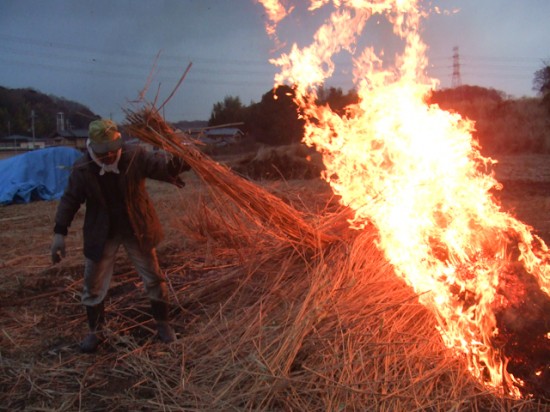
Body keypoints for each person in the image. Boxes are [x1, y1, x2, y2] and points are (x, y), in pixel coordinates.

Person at [50, 118, 190, 353]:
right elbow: (70, 200)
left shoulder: (134, 156)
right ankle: (95, 332)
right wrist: (59, 233)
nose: (109, 156)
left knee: (153, 277)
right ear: (92, 147)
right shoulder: (83, 169)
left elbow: (160, 167)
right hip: (102, 232)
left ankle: (163, 325)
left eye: (113, 151)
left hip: (137, 226)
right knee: (92, 283)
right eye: (103, 152)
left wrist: (179, 163)